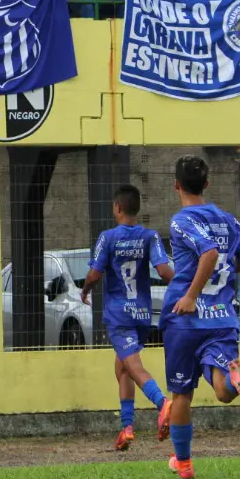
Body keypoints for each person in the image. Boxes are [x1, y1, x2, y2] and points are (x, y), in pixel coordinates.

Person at [160, 155, 240, 479]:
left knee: (181, 395)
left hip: (184, 320)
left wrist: (190, 296)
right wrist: (222, 280)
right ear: (207, 184)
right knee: (221, 391)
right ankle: (233, 376)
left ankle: (184, 464)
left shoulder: (181, 220)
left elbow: (209, 253)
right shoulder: (229, 220)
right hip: (222, 318)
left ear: (176, 185)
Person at [80, 184, 175, 452]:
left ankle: (162, 403)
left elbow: (95, 274)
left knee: (132, 366)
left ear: (118, 208)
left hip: (119, 314)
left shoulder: (107, 237)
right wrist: (188, 287)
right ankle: (127, 428)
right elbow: (164, 270)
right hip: (143, 314)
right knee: (121, 367)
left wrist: (85, 289)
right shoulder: (150, 236)